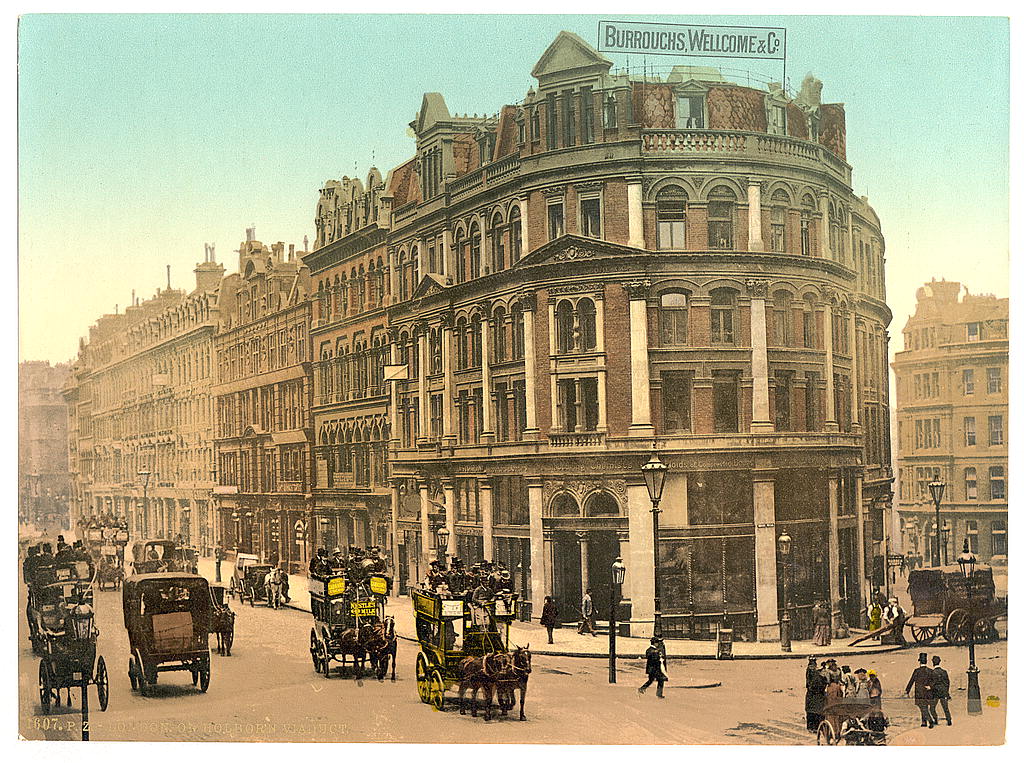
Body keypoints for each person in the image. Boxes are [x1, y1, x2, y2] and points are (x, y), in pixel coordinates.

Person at [905, 652, 935, 727]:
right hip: (928, 692)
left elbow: (911, 681)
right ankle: (924, 722)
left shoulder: (917, 671)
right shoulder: (930, 671)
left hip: (919, 693)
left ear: (919, 661)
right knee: (925, 706)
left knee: (922, 707)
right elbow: (934, 681)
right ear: (926, 661)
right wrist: (930, 686)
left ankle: (930, 720)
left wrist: (907, 690)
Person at [805, 658, 827, 732]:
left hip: (814, 695)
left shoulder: (813, 672)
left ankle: (814, 727)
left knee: (814, 711)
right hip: (814, 694)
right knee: (814, 712)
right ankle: (813, 727)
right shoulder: (812, 672)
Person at [930, 655, 952, 726]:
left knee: (932, 708)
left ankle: (935, 719)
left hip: (936, 692)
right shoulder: (944, 672)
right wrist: (946, 692)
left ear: (933, 663)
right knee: (945, 707)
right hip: (943, 692)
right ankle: (949, 720)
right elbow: (947, 683)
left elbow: (932, 683)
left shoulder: (932, 672)